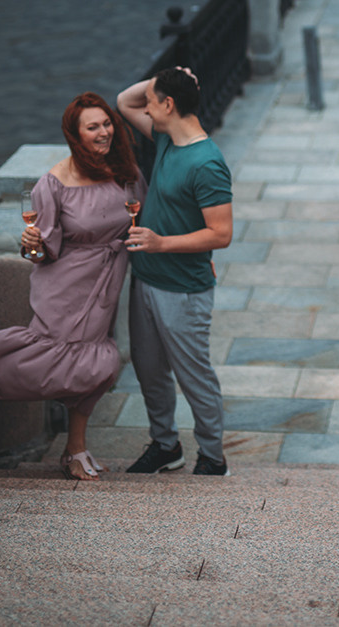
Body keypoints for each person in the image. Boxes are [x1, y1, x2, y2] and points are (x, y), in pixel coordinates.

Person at [0, 92, 142, 480]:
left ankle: (75, 448)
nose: (104, 132)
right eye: (93, 127)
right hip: (65, 283)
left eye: (107, 123)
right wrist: (32, 248)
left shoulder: (125, 171)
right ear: (75, 135)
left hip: (106, 279)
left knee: (96, 362)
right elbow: (42, 253)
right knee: (72, 358)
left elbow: (140, 217)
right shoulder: (53, 183)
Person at [116, 67, 233, 476]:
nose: (145, 106)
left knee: (193, 375)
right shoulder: (166, 139)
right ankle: (166, 446)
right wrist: (167, 77)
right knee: (149, 370)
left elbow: (221, 234)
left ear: (168, 105)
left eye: (154, 100)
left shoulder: (207, 163)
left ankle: (212, 457)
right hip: (146, 279)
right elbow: (123, 100)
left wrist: (162, 243)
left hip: (183, 291)